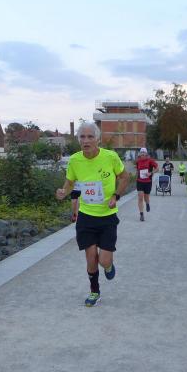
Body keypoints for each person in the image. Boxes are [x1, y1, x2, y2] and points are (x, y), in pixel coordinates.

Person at [56, 122, 129, 307]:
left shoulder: (110, 157)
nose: (86, 140)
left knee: (103, 260)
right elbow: (70, 182)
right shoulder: (74, 160)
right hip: (86, 216)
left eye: (90, 137)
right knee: (90, 258)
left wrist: (115, 195)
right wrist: (63, 191)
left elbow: (124, 177)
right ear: (78, 140)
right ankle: (94, 291)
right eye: (82, 137)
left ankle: (109, 266)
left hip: (107, 217)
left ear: (98, 139)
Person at [135, 147, 158, 221]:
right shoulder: (138, 161)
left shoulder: (150, 161)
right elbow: (137, 170)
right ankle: (141, 214)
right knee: (140, 197)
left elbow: (157, 168)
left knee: (146, 197)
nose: (142, 154)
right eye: (141, 152)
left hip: (148, 182)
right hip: (139, 181)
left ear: (146, 153)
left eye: (144, 152)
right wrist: (136, 177)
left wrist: (150, 173)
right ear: (140, 154)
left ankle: (147, 204)